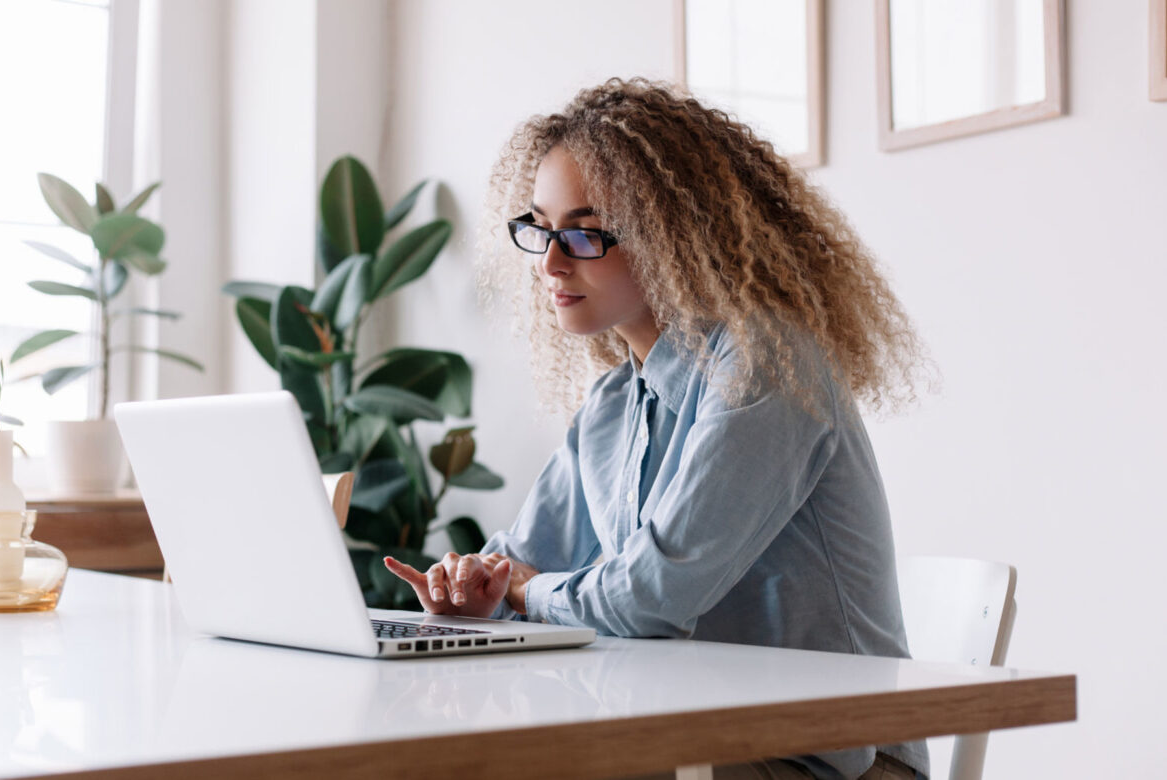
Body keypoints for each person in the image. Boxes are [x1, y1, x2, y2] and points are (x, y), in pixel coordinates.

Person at [384, 77, 931, 780]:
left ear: (672, 234)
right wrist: (473, 588)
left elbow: (649, 597)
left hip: (832, 760)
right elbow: (513, 564)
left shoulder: (766, 363)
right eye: (541, 229)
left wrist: (523, 591)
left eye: (584, 232)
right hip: (692, 741)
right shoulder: (615, 401)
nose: (550, 261)